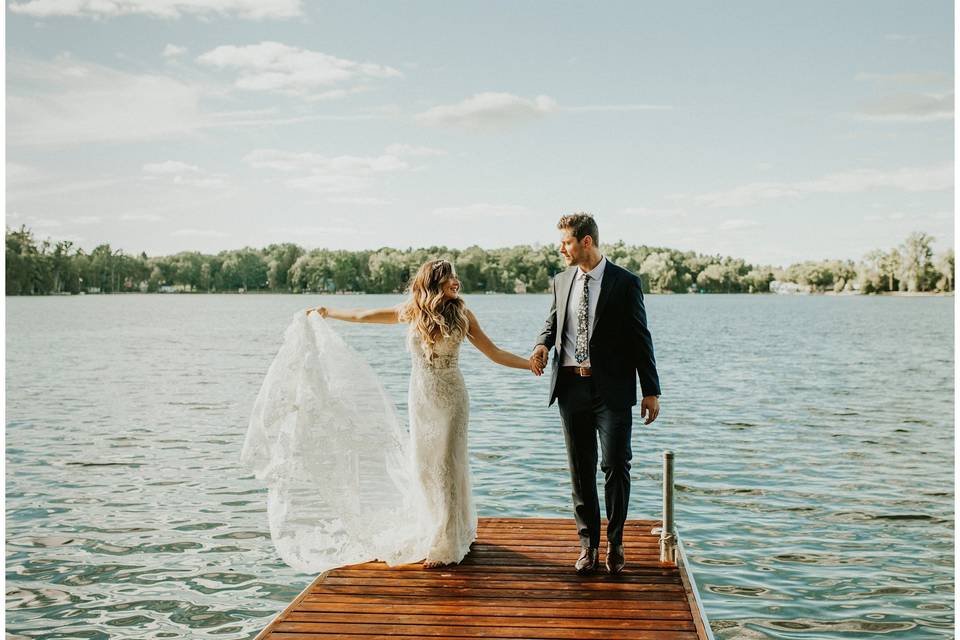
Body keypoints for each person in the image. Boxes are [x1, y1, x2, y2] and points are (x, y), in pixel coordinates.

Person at [303, 259, 540, 568]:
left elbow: (493, 353)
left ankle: (448, 542)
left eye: (456, 277)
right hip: (421, 401)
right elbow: (363, 316)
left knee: (447, 466)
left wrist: (529, 364)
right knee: (425, 468)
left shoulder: (463, 315)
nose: (456, 282)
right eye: (450, 278)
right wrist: (329, 312)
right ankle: (432, 528)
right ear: (433, 283)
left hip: (452, 400)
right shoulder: (412, 312)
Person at [532, 212, 661, 575]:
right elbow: (553, 322)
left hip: (613, 390)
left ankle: (616, 543)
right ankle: (587, 545)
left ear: (586, 241)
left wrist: (651, 389)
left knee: (616, 466)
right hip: (571, 387)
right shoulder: (561, 281)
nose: (561, 249)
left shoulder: (625, 282)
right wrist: (542, 344)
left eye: (567, 242)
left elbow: (641, 338)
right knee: (580, 469)